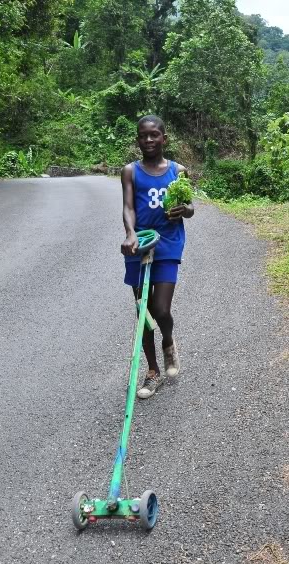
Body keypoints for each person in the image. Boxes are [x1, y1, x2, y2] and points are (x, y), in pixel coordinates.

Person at [120, 115, 194, 399]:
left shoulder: (178, 171)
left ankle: (170, 343)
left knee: (161, 309)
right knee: (144, 315)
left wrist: (184, 211)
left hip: (169, 242)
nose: (148, 140)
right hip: (138, 245)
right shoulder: (130, 171)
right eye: (143, 136)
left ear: (164, 138)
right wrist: (130, 233)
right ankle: (152, 372)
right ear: (138, 140)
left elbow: (190, 206)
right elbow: (128, 207)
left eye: (154, 135)